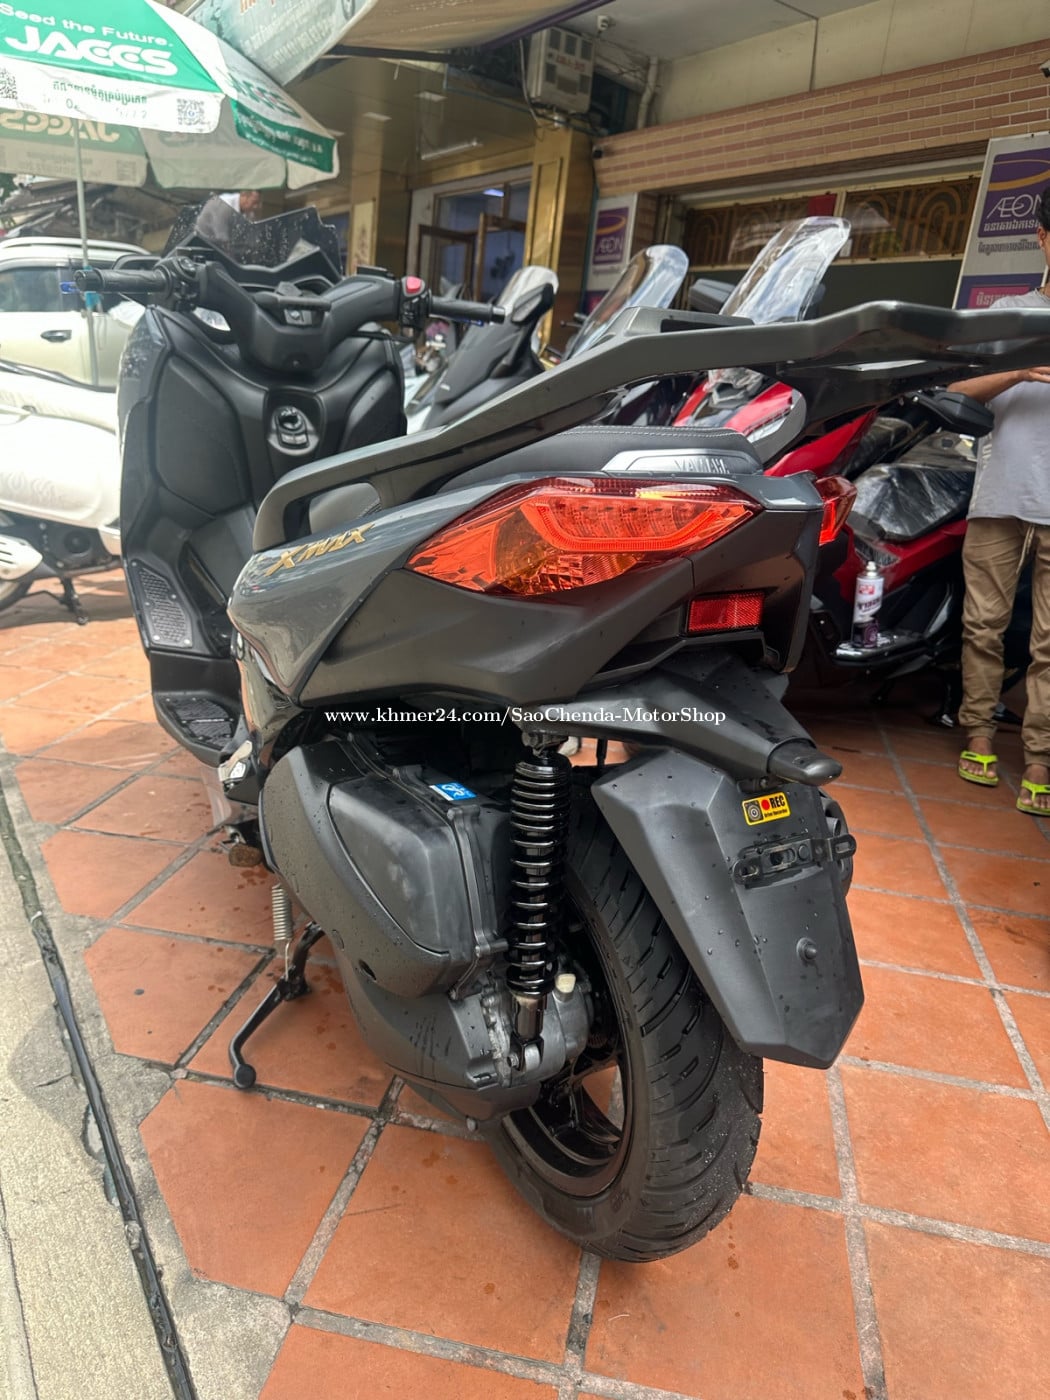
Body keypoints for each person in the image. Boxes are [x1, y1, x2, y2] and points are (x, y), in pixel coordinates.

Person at [949, 186, 1050, 816]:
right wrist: (1020, 368)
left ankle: (1039, 758)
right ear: (1042, 238)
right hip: (1001, 496)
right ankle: (979, 735)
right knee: (983, 627)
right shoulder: (1011, 314)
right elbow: (958, 391)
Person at [194, 190, 262, 249]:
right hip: (203, 241)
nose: (256, 207)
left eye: (258, 203)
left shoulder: (249, 212)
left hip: (228, 244)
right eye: (254, 202)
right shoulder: (224, 205)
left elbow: (251, 234)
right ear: (243, 196)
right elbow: (222, 238)